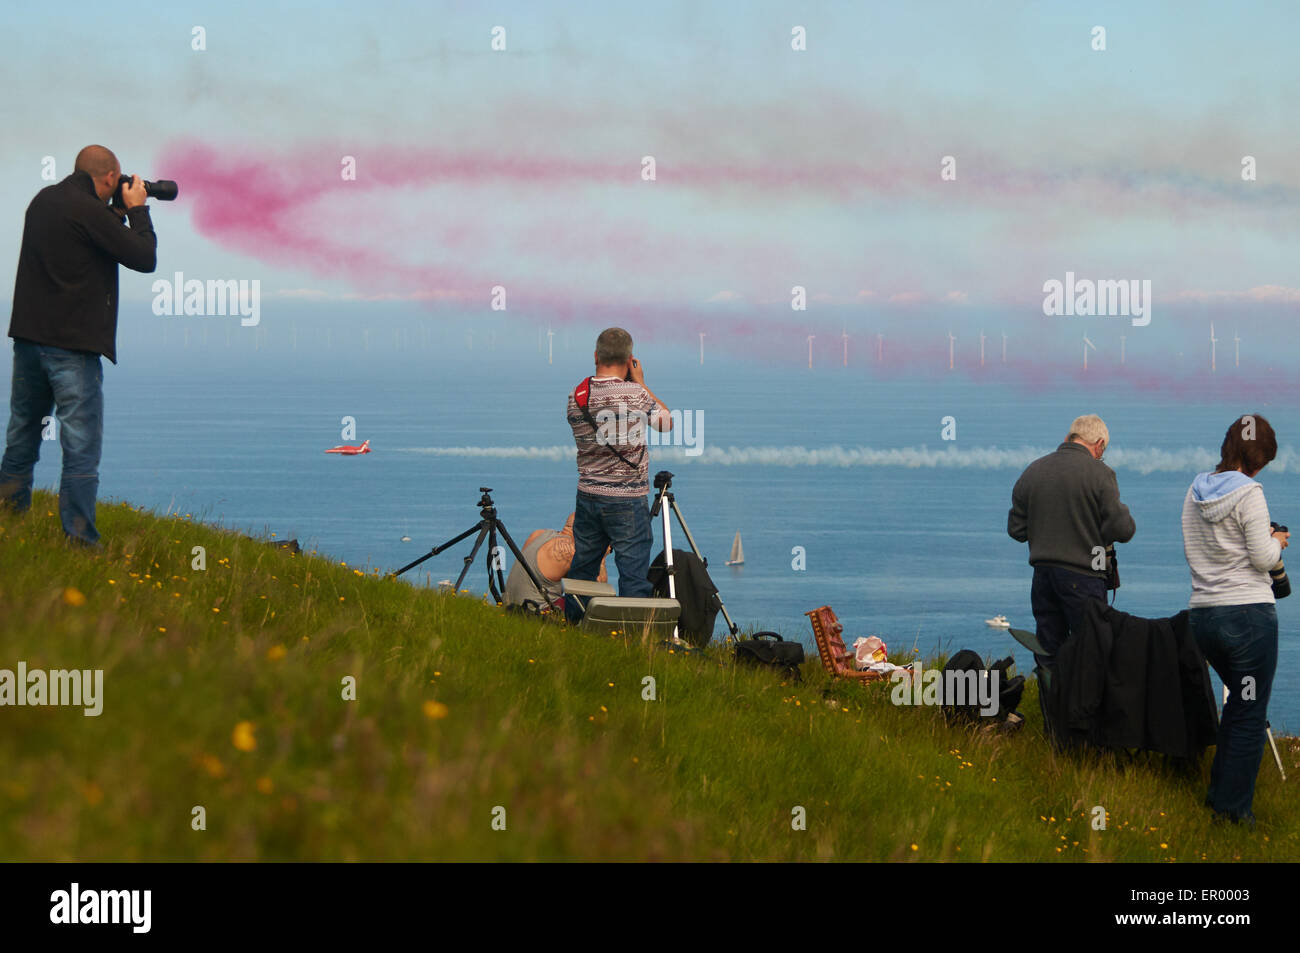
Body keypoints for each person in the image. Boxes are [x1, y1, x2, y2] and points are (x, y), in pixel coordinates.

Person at [0, 145, 157, 546]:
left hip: (30, 342)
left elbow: (84, 240)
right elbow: (142, 257)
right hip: (72, 349)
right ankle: (80, 540)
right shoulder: (88, 212)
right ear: (109, 179)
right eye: (116, 182)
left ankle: (7, 520)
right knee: (80, 449)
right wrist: (138, 209)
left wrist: (114, 213)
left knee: (22, 436)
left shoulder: (44, 201)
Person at [1181, 414, 1288, 825]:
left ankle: (1219, 798)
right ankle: (1231, 813)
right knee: (1247, 713)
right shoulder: (1251, 493)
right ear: (1257, 459)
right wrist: (1276, 542)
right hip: (1247, 617)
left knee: (1239, 707)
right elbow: (1263, 558)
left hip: (1204, 615)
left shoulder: (1194, 490)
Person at [1007, 414, 1135, 662]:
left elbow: (1016, 530)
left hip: (1043, 576)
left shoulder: (1033, 471)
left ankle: (1051, 698)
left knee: (1047, 650)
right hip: (1085, 576)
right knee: (1093, 649)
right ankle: (1086, 701)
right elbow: (1124, 529)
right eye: (1102, 451)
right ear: (1098, 445)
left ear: (1068, 438)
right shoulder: (1100, 473)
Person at [564, 327, 672, 622]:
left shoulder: (577, 396)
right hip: (627, 500)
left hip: (588, 496)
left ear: (596, 356)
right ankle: (631, 638)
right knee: (633, 573)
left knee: (583, 568)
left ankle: (574, 626)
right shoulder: (636, 394)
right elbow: (667, 423)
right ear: (629, 360)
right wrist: (641, 383)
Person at [502, 513, 608, 612]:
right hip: (534, 611)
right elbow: (598, 590)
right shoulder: (571, 552)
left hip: (510, 606)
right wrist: (602, 554)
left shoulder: (539, 534)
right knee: (592, 606)